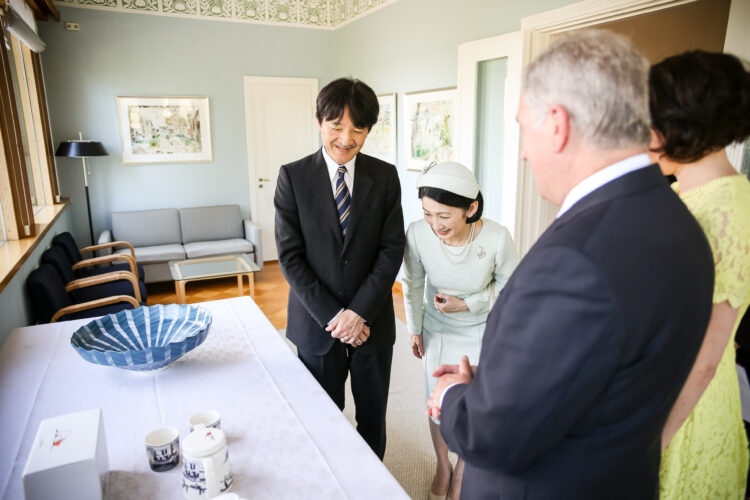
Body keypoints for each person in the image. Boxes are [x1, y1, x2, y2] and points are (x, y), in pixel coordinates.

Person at [426, 29, 715, 499]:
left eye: (523, 126)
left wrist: (453, 398)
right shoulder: (682, 225)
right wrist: (496, 381)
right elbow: (606, 369)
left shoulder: (574, 260)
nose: (522, 150)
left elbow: (495, 438)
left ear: (557, 124)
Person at [274, 77, 405, 460]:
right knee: (321, 420)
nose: (347, 138)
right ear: (319, 122)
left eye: (358, 129)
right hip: (317, 326)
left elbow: (390, 249)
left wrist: (359, 313)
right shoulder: (293, 177)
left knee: (372, 422)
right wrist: (337, 317)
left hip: (372, 325)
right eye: (337, 126)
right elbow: (290, 258)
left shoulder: (385, 177)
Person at [648, 50, 750, 500]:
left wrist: (653, 446)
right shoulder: (686, 195)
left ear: (680, 127)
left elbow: (705, 358)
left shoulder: (727, 211)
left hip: (684, 411)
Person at [401, 161, 518, 499]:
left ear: (471, 208)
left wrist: (468, 304)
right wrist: (415, 328)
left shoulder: (497, 238)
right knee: (436, 402)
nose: (435, 224)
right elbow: (412, 283)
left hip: (483, 329)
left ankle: (464, 469)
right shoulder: (418, 234)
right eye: (427, 214)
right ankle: (442, 465)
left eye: (444, 216)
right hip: (437, 329)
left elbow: (511, 290)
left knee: (475, 406)